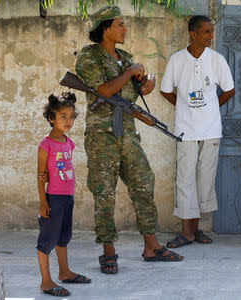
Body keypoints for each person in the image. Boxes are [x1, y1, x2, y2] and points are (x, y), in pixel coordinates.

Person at [75, 5, 182, 274]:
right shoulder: (89, 57)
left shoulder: (124, 56)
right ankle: (108, 251)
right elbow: (104, 89)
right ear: (106, 28)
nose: (125, 28)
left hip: (128, 133)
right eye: (120, 24)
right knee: (105, 193)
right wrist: (129, 71)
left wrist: (149, 80)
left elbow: (134, 88)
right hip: (102, 137)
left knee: (144, 182)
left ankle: (151, 246)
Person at [160, 15, 235, 248]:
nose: (211, 36)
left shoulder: (217, 60)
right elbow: (165, 90)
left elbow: (229, 90)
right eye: (206, 32)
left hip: (211, 129)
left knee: (205, 179)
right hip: (186, 130)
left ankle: (196, 228)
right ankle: (186, 232)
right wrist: (184, 106)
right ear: (193, 34)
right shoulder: (177, 60)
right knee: (185, 179)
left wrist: (209, 108)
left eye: (211, 31)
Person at [36, 93, 91, 297]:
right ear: (51, 118)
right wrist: (43, 201)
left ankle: (65, 272)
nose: (69, 121)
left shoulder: (68, 142)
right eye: (63, 117)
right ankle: (46, 281)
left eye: (71, 116)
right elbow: (41, 176)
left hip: (68, 197)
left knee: (63, 237)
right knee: (47, 241)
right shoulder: (45, 145)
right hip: (54, 199)